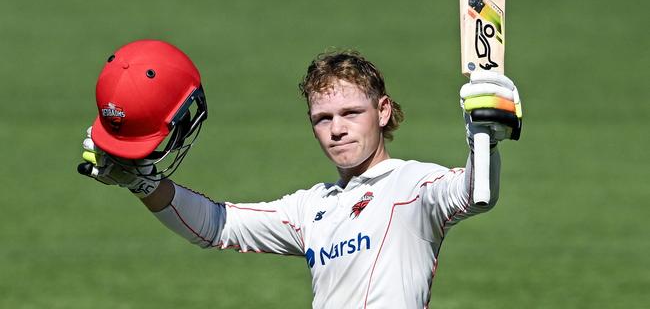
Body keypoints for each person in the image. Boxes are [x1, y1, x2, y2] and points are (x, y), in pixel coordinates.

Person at [79, 39, 522, 308]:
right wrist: (143, 183)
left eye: (352, 112)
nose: (338, 129)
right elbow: (218, 226)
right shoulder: (311, 209)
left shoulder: (413, 188)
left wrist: (483, 136)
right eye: (322, 118)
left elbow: (477, 193)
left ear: (383, 111)